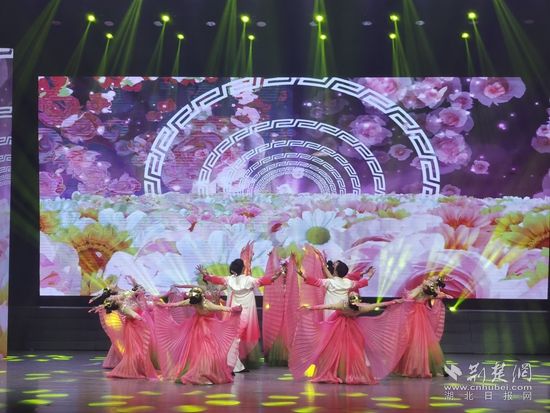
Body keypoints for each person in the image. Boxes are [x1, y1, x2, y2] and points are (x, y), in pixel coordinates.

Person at [289, 292, 406, 384]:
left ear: (349, 299)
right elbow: (378, 305)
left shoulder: (343, 305)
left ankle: (336, 373)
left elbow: (326, 306)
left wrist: (310, 308)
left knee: (335, 350)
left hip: (337, 329)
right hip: (352, 330)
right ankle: (347, 374)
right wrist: (394, 301)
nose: (352, 293)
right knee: (351, 352)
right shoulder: (361, 308)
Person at [198, 257, 282, 371]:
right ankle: (232, 365)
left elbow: (215, 279)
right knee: (235, 339)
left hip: (234, 312)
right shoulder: (249, 280)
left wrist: (206, 275)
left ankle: (234, 365)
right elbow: (264, 280)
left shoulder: (230, 280)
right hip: (244, 312)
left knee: (234, 338)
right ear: (243, 268)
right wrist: (276, 276)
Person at [154, 287, 242, 384]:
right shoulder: (192, 301)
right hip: (196, 327)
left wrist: (233, 309)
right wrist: (163, 305)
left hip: (209, 329)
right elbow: (177, 304)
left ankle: (207, 371)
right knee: (196, 350)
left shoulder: (208, 305)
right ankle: (197, 371)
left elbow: (222, 308)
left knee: (208, 350)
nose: (194, 305)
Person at [392, 275, 453, 378]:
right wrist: (444, 295)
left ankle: (426, 368)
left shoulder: (426, 289)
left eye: (431, 280)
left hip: (418, 313)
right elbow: (412, 297)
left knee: (421, 340)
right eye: (429, 280)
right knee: (419, 340)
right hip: (418, 313)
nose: (428, 280)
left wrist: (444, 295)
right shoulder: (424, 289)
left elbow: (412, 297)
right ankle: (422, 367)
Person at [298, 247, 375, 319]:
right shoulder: (347, 282)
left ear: (335, 271)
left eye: (335, 265)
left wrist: (303, 275)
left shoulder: (330, 282)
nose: (333, 265)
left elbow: (315, 281)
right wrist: (369, 275)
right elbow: (361, 283)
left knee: (330, 325)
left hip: (330, 310)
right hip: (342, 310)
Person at [96, 292, 158, 379]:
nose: (113, 296)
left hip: (134, 325)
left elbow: (126, 295)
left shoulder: (121, 303)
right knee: (138, 348)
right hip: (135, 327)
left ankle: (140, 365)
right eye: (113, 297)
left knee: (141, 348)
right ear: (116, 301)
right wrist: (142, 319)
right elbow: (134, 314)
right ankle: (138, 367)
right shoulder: (123, 307)